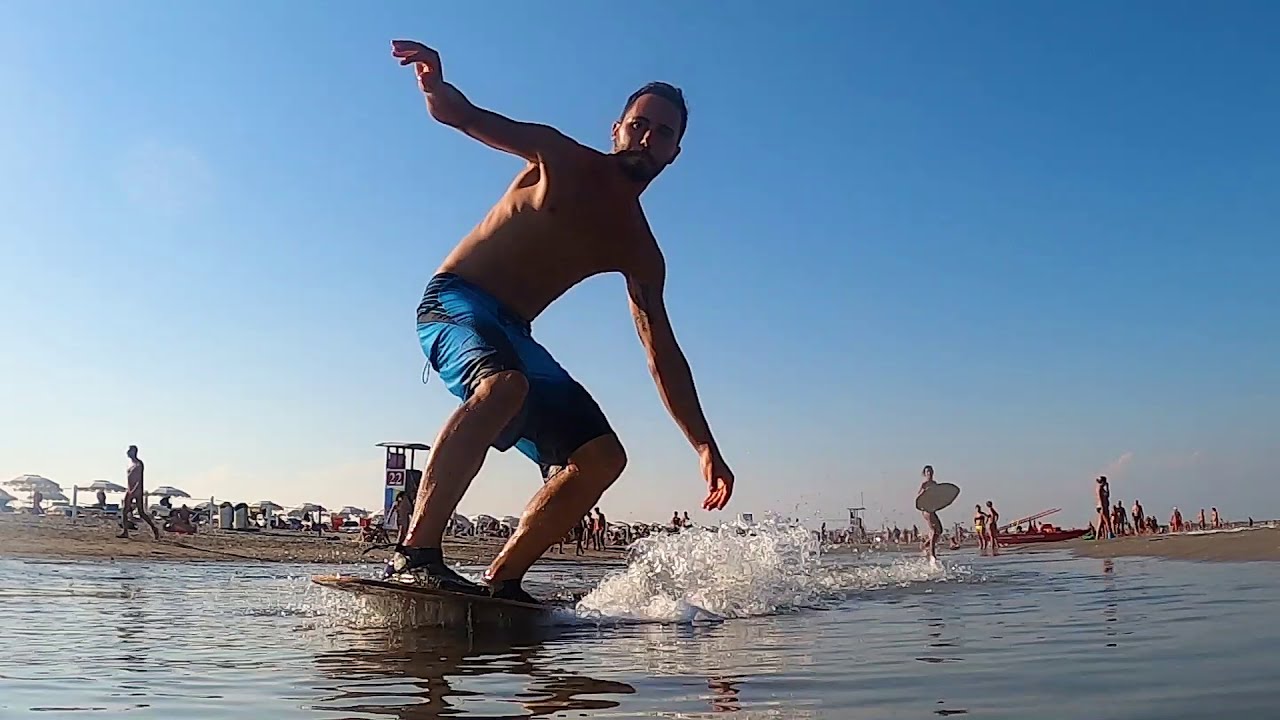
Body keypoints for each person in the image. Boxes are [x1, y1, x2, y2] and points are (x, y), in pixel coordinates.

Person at [383, 39, 735, 603]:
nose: (648, 138)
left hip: (514, 334)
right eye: (639, 125)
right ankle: (416, 555)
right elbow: (463, 115)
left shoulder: (641, 250)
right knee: (504, 385)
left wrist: (703, 447)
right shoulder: (558, 156)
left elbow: (661, 355)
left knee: (601, 459)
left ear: (675, 153)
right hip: (455, 302)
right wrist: (432, 83)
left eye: (663, 133)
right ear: (616, 129)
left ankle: (503, 584)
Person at [119, 445, 160, 541]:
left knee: (141, 512)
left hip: (136, 490)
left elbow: (139, 479)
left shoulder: (138, 464)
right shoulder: (131, 464)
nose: (128, 453)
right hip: (130, 489)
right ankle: (125, 531)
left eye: (130, 451)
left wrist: (134, 490)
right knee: (125, 511)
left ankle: (154, 529)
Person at [916, 465, 944, 563]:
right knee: (933, 530)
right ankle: (932, 554)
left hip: (932, 509)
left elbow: (939, 497)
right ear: (925, 473)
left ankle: (926, 545)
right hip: (926, 510)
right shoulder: (925, 484)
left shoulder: (935, 483)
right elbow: (919, 498)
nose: (929, 473)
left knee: (939, 530)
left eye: (931, 471)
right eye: (927, 471)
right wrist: (925, 492)